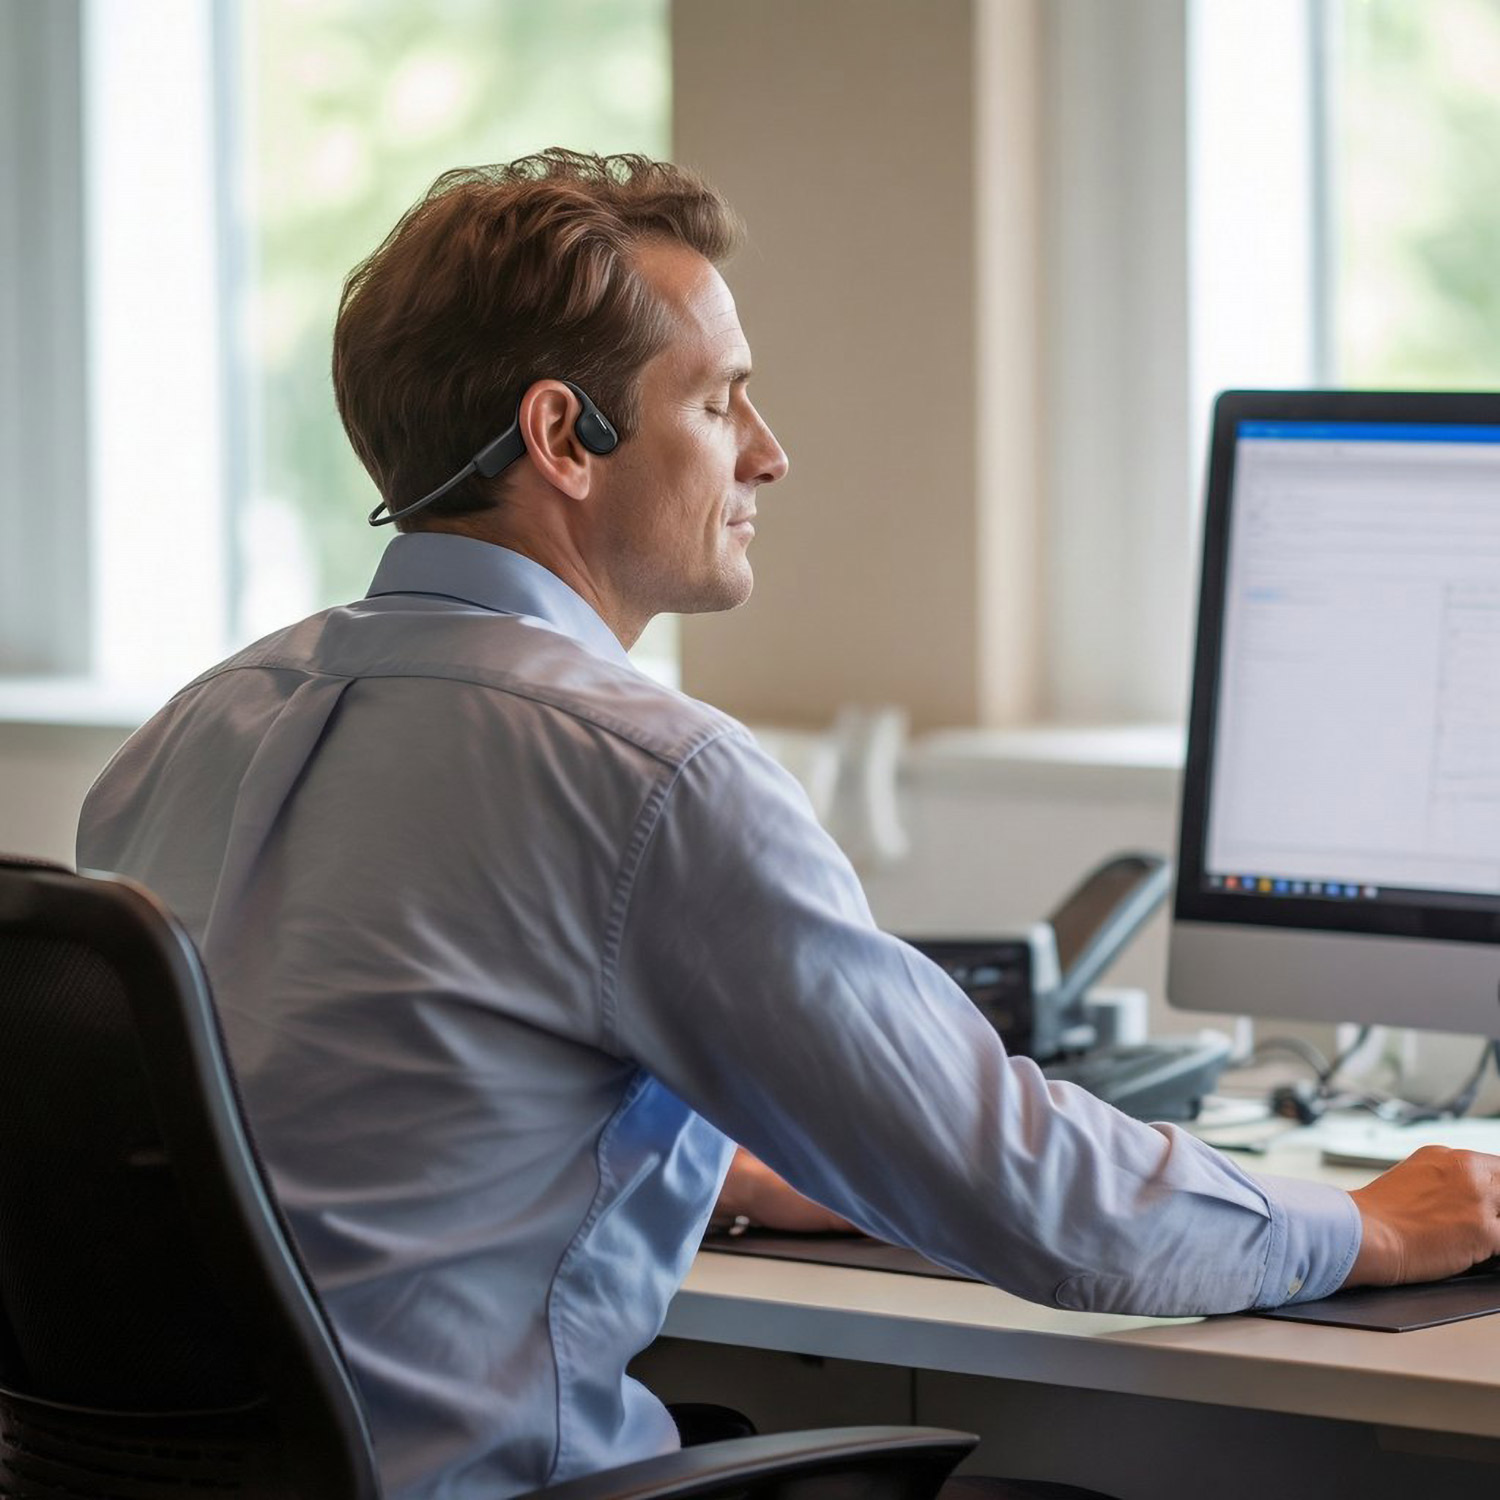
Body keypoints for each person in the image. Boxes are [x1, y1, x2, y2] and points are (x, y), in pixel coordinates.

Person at [77, 150, 1500, 1500]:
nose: (769, 455)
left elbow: (332, 1153)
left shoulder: (194, 731)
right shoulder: (641, 776)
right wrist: (1368, 1225)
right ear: (567, 436)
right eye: (722, 400)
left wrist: (711, 1167)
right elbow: (1035, 1201)